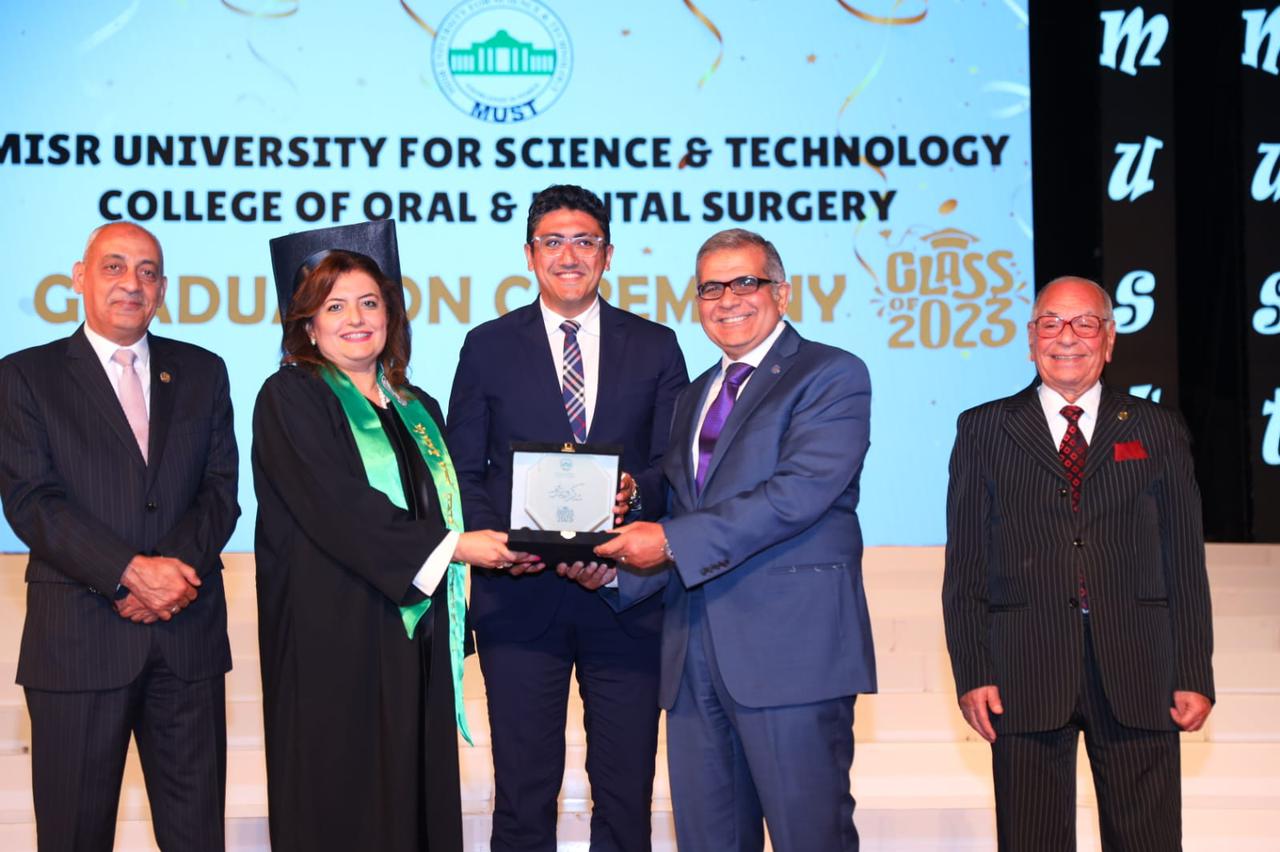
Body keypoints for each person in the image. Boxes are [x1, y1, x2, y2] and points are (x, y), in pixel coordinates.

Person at [253, 220, 537, 852]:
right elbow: (339, 507)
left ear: (391, 316)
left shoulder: (418, 408)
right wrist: (456, 548)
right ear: (308, 325)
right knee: (346, 800)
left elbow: (452, 503)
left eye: (369, 303)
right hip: (335, 637)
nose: (356, 319)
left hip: (415, 635)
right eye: (335, 307)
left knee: (416, 796)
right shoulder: (290, 397)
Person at [597, 228, 877, 852]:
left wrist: (667, 542)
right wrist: (616, 568)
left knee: (811, 838)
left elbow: (796, 495)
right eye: (711, 288)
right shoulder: (693, 395)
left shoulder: (831, 374)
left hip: (791, 656)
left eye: (745, 282)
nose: (728, 299)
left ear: (782, 291)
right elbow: (683, 506)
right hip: (693, 659)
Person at [445, 185, 688, 852]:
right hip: (519, 595)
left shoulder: (656, 345)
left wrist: (635, 495)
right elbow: (464, 466)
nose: (569, 255)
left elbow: (675, 465)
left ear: (608, 254)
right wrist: (506, 543)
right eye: (553, 241)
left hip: (625, 597)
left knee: (626, 791)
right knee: (522, 794)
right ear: (529, 255)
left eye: (585, 241)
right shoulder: (487, 345)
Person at [941, 276, 1215, 850]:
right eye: (1051, 323)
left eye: (1085, 323)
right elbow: (966, 563)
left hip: (1140, 668)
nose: (1067, 337)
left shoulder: (1157, 428)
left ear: (1109, 339)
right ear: (1030, 339)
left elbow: (1185, 562)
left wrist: (1193, 671)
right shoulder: (984, 428)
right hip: (1024, 669)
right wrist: (973, 670)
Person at [0, 222, 239, 851]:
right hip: (77, 644)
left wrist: (170, 577)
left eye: (147, 271)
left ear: (162, 289)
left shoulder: (204, 371)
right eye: (113, 267)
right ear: (79, 278)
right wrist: (131, 572)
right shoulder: (25, 376)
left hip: (186, 641)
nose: (131, 283)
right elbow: (32, 501)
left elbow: (220, 491)